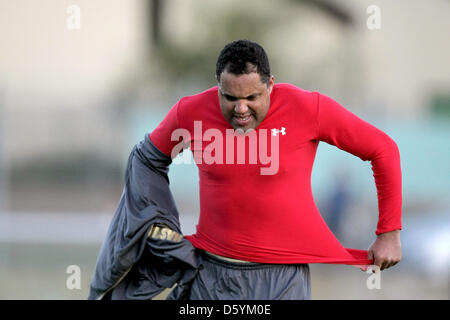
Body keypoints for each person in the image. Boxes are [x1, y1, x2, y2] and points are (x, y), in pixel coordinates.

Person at [88, 39, 402, 300]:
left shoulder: (308, 108)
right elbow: (145, 159)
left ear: (271, 85)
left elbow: (382, 149)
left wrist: (389, 232)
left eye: (252, 97)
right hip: (211, 276)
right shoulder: (190, 112)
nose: (241, 108)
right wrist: (159, 222)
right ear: (218, 87)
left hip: (283, 280)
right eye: (230, 97)